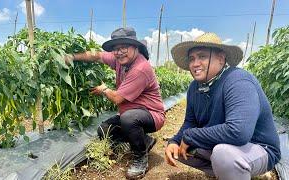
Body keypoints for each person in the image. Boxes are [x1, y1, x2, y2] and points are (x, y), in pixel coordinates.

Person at [165, 32, 281, 179]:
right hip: (227, 145)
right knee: (180, 149)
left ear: (221, 59)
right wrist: (174, 141)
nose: (195, 63)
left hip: (259, 148)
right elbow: (190, 122)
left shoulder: (238, 81)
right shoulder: (194, 87)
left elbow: (239, 132)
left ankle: (236, 167)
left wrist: (190, 136)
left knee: (223, 154)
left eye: (202, 56)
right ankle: (227, 172)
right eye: (192, 59)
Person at [65, 27, 165, 179]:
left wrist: (104, 89)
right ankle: (145, 140)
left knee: (128, 119)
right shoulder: (120, 59)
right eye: (115, 49)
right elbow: (96, 56)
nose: (119, 52)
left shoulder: (140, 68)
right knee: (104, 130)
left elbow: (117, 98)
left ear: (135, 47)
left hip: (151, 115)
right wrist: (72, 56)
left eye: (123, 47)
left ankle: (140, 159)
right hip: (132, 113)